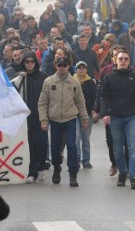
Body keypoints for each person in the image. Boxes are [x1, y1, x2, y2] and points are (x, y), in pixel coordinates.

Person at [38, 57, 89, 187]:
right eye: (59, 65)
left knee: (72, 146)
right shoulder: (48, 82)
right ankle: (56, 168)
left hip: (70, 119)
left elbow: (80, 101)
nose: (62, 67)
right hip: (54, 120)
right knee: (55, 148)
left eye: (64, 65)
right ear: (56, 66)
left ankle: (73, 174)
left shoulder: (74, 82)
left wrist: (84, 118)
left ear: (68, 66)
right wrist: (43, 120)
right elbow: (43, 102)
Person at [100, 50, 135, 190]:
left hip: (132, 116)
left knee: (132, 147)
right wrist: (104, 113)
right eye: (120, 59)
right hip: (114, 117)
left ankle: (133, 176)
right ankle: (123, 172)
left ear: (129, 61)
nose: (123, 61)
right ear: (115, 60)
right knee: (117, 149)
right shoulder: (108, 77)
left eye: (126, 59)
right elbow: (104, 96)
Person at [16, 52, 48, 183]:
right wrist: (19, 79)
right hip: (25, 117)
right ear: (23, 63)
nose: (29, 64)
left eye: (32, 61)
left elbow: (48, 96)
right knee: (30, 144)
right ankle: (32, 172)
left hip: (40, 115)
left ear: (35, 63)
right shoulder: (19, 77)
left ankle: (41, 167)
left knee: (41, 143)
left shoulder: (43, 77)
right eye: (27, 62)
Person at [73, 61, 97, 169]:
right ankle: (76, 159)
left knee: (86, 139)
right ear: (76, 69)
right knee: (76, 138)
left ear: (86, 70)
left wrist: (93, 110)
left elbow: (94, 97)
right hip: (74, 115)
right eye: (79, 68)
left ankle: (86, 160)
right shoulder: (72, 81)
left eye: (83, 68)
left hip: (87, 115)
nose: (81, 70)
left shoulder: (91, 82)